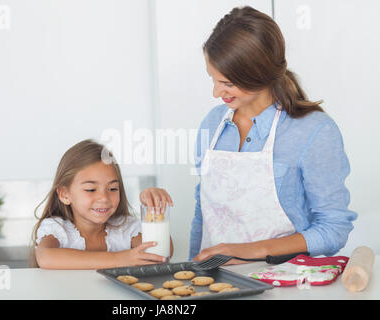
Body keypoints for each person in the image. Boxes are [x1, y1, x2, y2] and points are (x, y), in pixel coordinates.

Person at [141, 6, 357, 264]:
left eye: (227, 83)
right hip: (213, 282)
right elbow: (205, 211)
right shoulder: (213, 123)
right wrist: (192, 273)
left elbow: (333, 229)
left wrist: (249, 250)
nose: (216, 93)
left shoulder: (314, 131)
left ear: (260, 74)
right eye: (213, 79)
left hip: (282, 283)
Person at [31, 139, 173, 269]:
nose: (104, 198)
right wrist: (120, 259)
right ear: (64, 194)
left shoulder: (126, 228)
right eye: (91, 189)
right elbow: (46, 257)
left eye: (112, 189)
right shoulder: (57, 228)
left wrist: (153, 209)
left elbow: (159, 255)